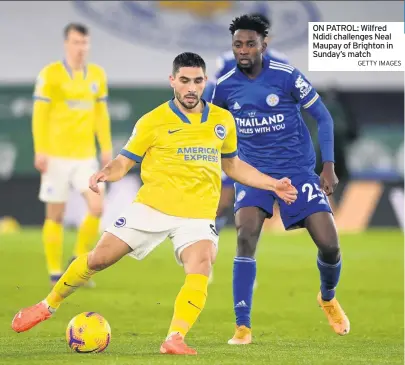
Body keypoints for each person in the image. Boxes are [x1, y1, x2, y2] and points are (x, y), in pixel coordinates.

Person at [12, 52, 298, 355]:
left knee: (202, 262)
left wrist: (272, 183)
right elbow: (124, 162)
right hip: (152, 207)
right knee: (98, 259)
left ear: (205, 83)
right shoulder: (153, 120)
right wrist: (106, 173)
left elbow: (233, 166)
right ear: (172, 81)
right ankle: (47, 305)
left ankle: (175, 337)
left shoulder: (222, 120)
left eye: (197, 81)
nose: (191, 87)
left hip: (198, 214)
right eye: (185, 80)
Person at [211, 15, 350, 345]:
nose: (243, 50)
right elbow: (210, 130)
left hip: (297, 171)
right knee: (245, 236)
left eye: (250, 43)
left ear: (264, 44)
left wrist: (327, 166)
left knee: (330, 245)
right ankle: (242, 326)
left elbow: (323, 117)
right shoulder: (224, 86)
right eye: (238, 44)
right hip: (253, 174)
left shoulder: (287, 76)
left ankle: (327, 296)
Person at [32, 23, 112, 288]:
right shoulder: (51, 75)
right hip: (55, 156)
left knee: (97, 207)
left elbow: (101, 115)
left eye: (84, 43)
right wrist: (40, 149)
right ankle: (55, 272)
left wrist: (107, 147)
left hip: (85, 157)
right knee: (55, 214)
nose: (81, 48)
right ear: (66, 44)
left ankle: (78, 260)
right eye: (76, 42)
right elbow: (40, 115)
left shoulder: (97, 75)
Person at [203, 12, 289, 233]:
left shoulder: (281, 63)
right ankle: (211, 229)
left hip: (266, 136)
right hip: (235, 132)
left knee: (274, 182)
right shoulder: (228, 61)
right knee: (225, 187)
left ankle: (273, 222)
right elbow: (215, 93)